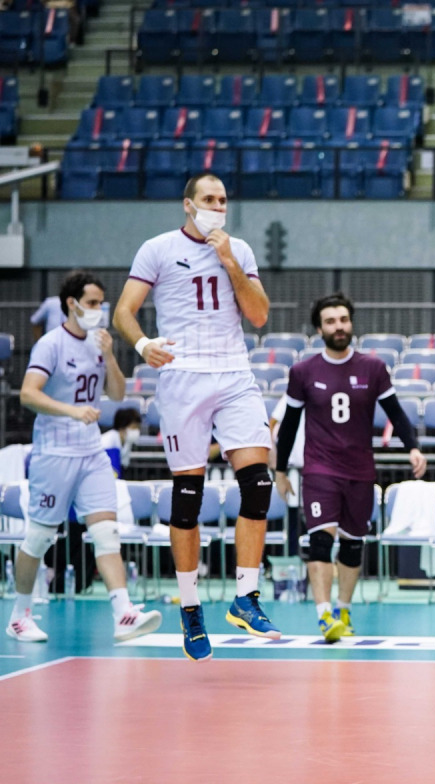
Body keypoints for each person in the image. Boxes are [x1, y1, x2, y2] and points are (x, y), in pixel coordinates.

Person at [113, 173, 279, 662]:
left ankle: (245, 597)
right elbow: (125, 310)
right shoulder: (158, 248)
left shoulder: (240, 249)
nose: (216, 206)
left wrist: (228, 259)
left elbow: (260, 315)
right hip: (183, 375)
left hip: (232, 371)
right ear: (188, 205)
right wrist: (143, 344)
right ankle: (190, 608)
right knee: (188, 496)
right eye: (208, 199)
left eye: (223, 200)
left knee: (258, 482)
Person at [9, 271, 161, 644]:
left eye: (101, 303)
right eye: (92, 303)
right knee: (41, 536)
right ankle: (19, 615)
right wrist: (71, 411)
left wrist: (109, 355)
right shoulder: (50, 345)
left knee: (106, 531)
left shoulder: (97, 343)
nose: (99, 310)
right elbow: (28, 395)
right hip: (54, 452)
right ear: (71, 304)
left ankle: (123, 612)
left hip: (91, 451)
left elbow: (117, 391)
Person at [274, 293, 427, 643]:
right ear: (319, 328)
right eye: (330, 321)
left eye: (343, 319)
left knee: (353, 545)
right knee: (319, 541)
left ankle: (343, 607)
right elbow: (289, 425)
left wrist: (413, 447)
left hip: (360, 471)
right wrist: (280, 470)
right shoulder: (303, 372)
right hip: (319, 470)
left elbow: (396, 413)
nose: (338, 326)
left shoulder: (372, 368)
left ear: (350, 323)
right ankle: (324, 615)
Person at [100, 407, 142, 476]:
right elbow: (114, 473)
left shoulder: (126, 442)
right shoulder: (109, 443)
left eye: (138, 428)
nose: (137, 431)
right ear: (122, 427)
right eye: (134, 427)